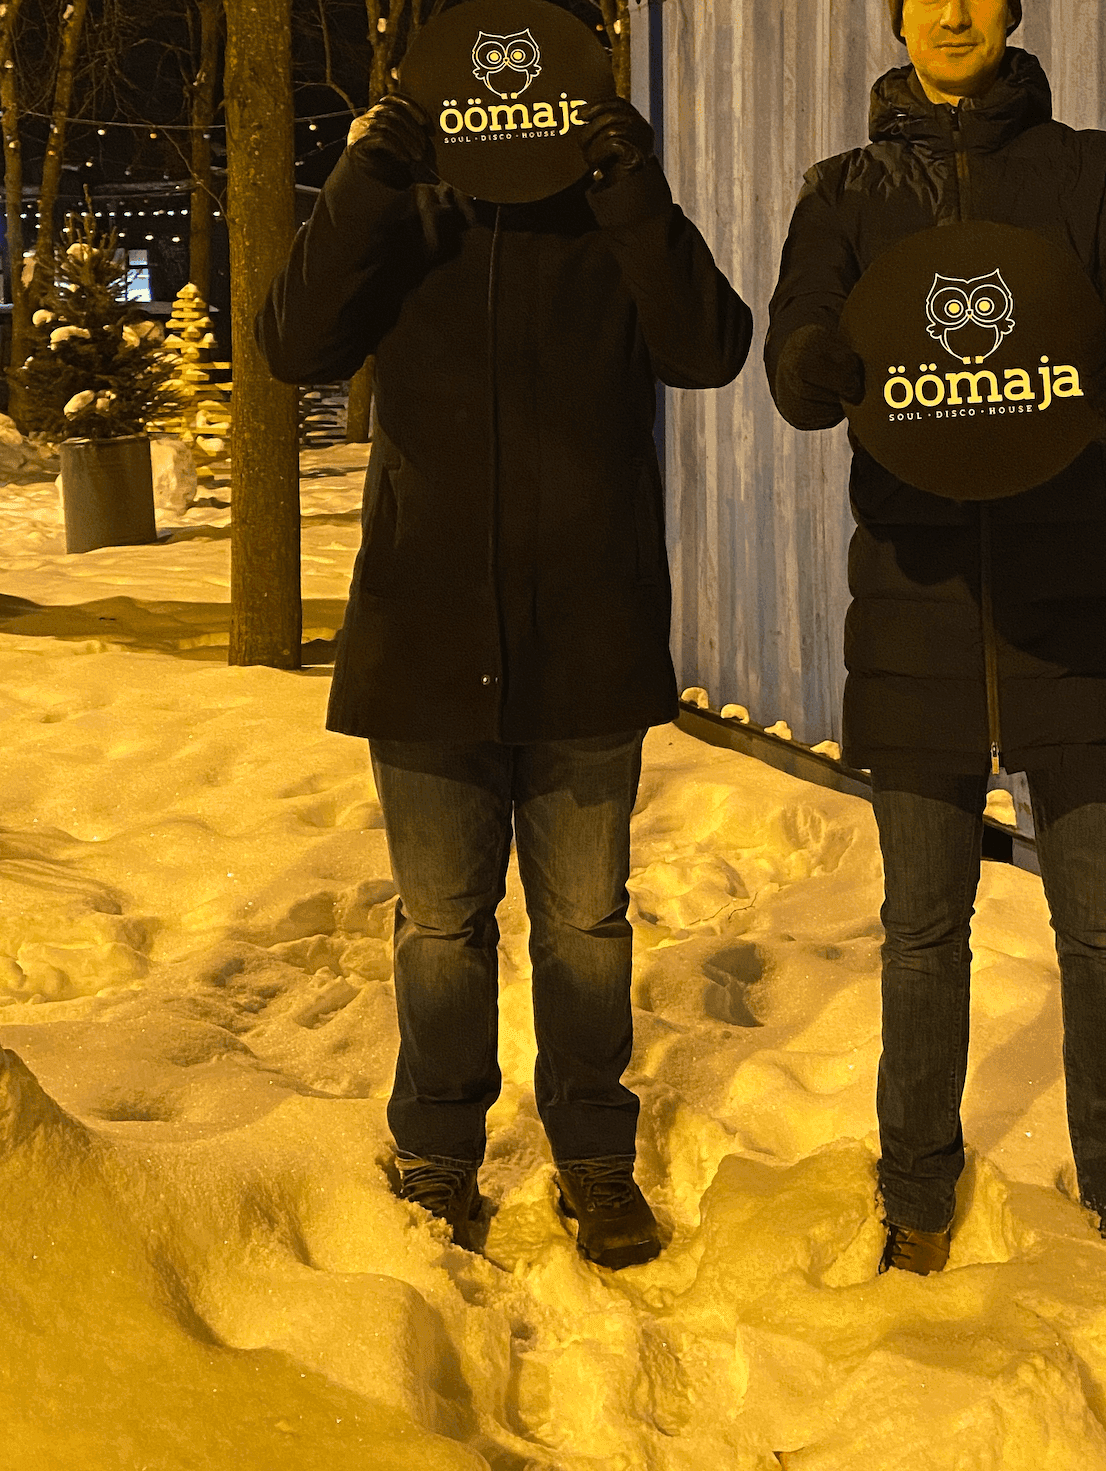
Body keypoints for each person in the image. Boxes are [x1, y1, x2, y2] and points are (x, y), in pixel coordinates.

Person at [764, 0, 1106, 1281]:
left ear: (1010, 9)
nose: (954, 12)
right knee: (921, 928)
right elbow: (796, 345)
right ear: (897, 16)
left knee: (1100, 926)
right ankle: (915, 1188)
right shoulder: (844, 193)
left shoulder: (1092, 173)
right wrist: (813, 365)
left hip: (1074, 598)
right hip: (912, 601)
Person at [258, 71, 752, 1270]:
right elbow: (294, 342)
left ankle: (593, 1157)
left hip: (587, 634)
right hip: (426, 637)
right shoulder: (408, 216)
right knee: (440, 924)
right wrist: (365, 175)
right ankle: (436, 1151)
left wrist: (633, 188)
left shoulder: (606, 217)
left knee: (585, 923)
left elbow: (709, 346)